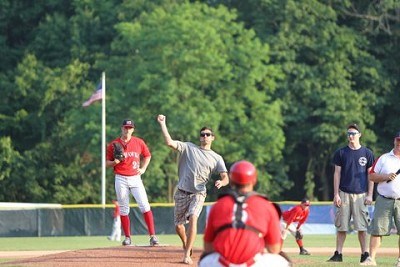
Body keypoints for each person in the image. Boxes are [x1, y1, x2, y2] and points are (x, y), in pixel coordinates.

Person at [157, 114, 229, 265]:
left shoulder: (216, 158)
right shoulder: (188, 147)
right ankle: (185, 244)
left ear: (212, 138)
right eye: (202, 135)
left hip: (198, 193)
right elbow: (169, 142)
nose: (204, 137)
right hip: (182, 191)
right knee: (178, 225)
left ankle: (186, 255)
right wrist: (163, 123)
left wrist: (221, 182)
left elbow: (225, 177)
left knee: (194, 218)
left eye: (207, 135)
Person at [199, 160, 291, 267]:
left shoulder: (218, 205)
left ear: (231, 181)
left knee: (204, 259)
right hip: (253, 264)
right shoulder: (266, 206)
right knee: (284, 261)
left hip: (221, 264)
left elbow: (208, 247)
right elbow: (274, 248)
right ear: (254, 180)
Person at [106, 119, 159, 246]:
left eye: (130, 128)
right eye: (125, 127)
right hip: (120, 178)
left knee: (145, 206)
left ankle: (152, 236)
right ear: (122, 128)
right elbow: (106, 163)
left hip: (135, 177)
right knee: (124, 209)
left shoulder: (139, 142)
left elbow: (147, 155)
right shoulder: (114, 144)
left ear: (133, 129)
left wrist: (144, 168)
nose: (127, 130)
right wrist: (115, 162)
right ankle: (128, 237)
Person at [328, 123, 375, 263]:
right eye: (348, 133)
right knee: (342, 226)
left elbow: (371, 175)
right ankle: (338, 254)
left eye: (353, 133)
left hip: (361, 195)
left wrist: (370, 194)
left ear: (359, 135)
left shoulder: (367, 153)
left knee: (362, 227)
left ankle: (364, 254)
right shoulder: (341, 152)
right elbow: (337, 174)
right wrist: (336, 194)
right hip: (344, 193)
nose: (350, 136)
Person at [360, 131, 400, 266]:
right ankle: (371, 259)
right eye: (398, 140)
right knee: (377, 230)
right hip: (384, 199)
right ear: (394, 141)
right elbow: (371, 176)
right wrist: (386, 176)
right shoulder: (384, 158)